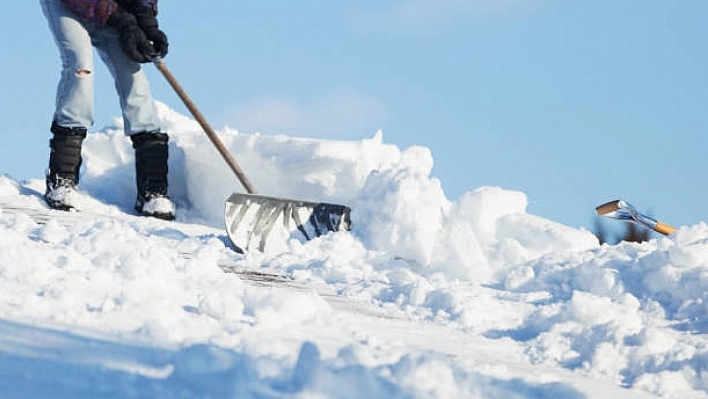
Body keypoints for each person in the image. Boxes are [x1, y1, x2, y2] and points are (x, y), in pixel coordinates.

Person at [39, 0, 175, 220]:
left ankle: (153, 190)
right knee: (80, 70)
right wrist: (123, 21)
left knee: (135, 82)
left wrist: (146, 22)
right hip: (69, 5)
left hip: (114, 9)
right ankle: (61, 179)